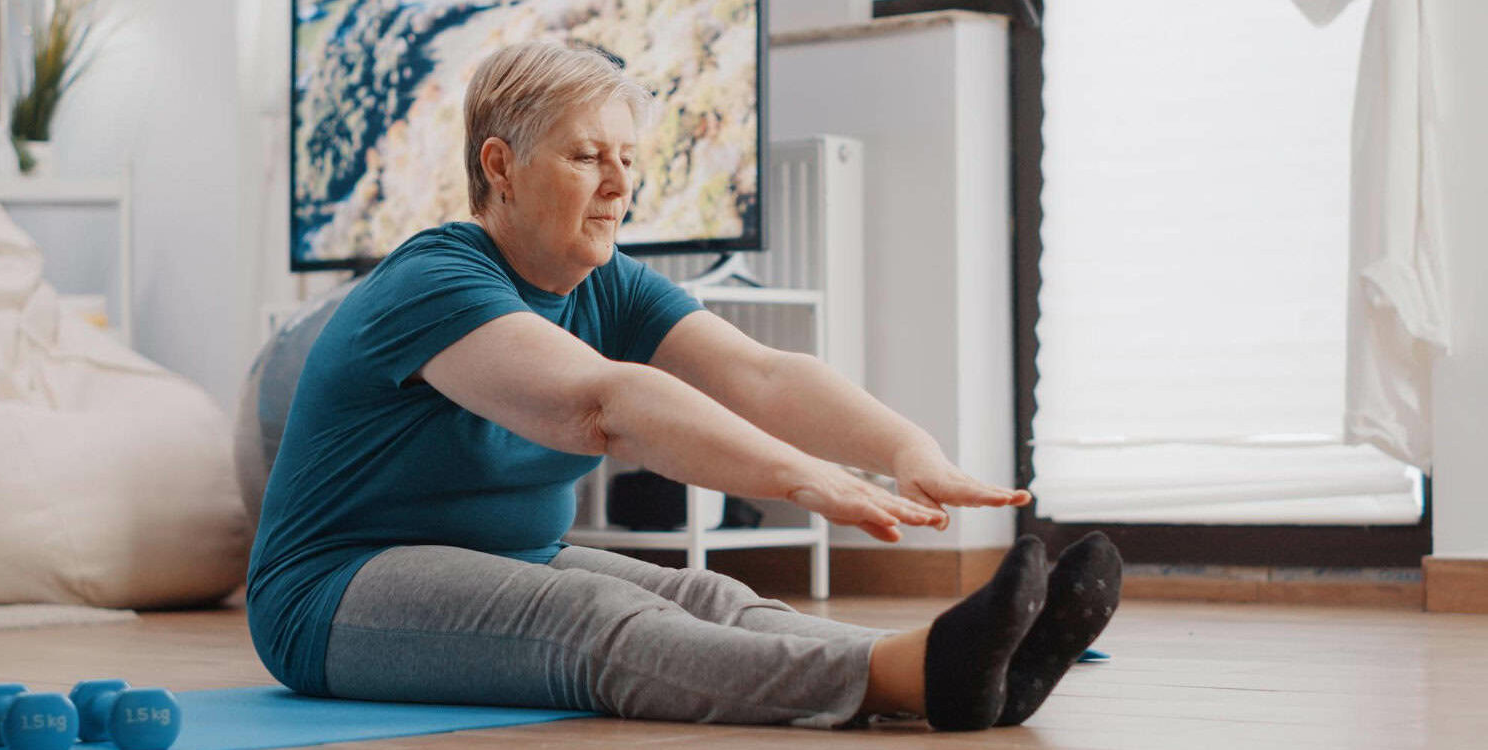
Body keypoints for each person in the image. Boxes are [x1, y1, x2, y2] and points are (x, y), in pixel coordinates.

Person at [246, 41, 1122, 732]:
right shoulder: (433, 279)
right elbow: (602, 406)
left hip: (509, 558)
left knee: (706, 595)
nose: (621, 185)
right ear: (501, 166)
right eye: (588, 156)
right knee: (589, 615)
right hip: (331, 592)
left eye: (628, 157)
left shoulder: (607, 283)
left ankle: (961, 662)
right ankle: (904, 678)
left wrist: (905, 451)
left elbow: (762, 372)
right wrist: (797, 476)